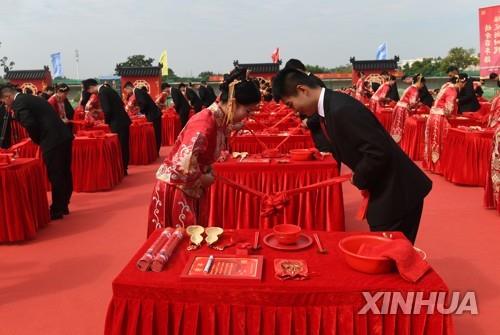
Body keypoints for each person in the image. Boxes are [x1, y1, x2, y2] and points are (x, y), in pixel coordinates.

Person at [272, 68, 432, 244]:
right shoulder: (329, 107)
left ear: (303, 90)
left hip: (398, 191)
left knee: (390, 254)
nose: (294, 111)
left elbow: (378, 151)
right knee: (384, 248)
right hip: (385, 188)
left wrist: (359, 177)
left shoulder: (341, 109)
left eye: (290, 104)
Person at [147, 67, 261, 236]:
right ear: (233, 103)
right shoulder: (204, 123)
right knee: (181, 244)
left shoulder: (218, 118)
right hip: (176, 189)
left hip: (190, 187)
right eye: (247, 111)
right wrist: (202, 178)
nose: (247, 117)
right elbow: (181, 167)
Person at [0, 85, 74, 220]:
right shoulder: (30, 98)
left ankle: (57, 210)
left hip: (52, 140)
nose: (5, 105)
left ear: (8, 97)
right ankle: (64, 205)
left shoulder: (19, 103)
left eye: (4, 102)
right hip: (63, 136)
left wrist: (37, 139)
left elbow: (30, 123)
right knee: (64, 172)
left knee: (56, 174)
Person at [82, 79, 131, 175]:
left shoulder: (102, 93)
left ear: (91, 87)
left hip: (118, 122)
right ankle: (123, 168)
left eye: (88, 91)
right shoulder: (107, 89)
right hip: (122, 120)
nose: (89, 93)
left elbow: (107, 110)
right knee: (123, 146)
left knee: (121, 147)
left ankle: (122, 169)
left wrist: (105, 120)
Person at [283, 58, 331, 152]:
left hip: (322, 129)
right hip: (317, 128)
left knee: (325, 152)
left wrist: (308, 121)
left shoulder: (313, 82)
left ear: (298, 71)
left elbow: (323, 107)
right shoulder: (308, 81)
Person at [423, 75, 465, 174]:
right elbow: (448, 109)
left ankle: (432, 165)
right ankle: (439, 167)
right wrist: (453, 116)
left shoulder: (445, 85)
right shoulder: (453, 90)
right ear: (459, 82)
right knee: (442, 141)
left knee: (433, 141)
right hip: (440, 118)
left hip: (432, 116)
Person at [123, 82, 162, 154]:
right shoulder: (138, 91)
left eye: (126, 91)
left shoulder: (137, 91)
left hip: (153, 114)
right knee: (156, 133)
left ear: (129, 88)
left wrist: (140, 110)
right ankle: (156, 151)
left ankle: (156, 152)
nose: (127, 93)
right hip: (153, 113)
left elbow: (143, 103)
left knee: (156, 133)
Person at [390, 74, 425, 143]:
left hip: (398, 107)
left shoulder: (410, 87)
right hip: (403, 109)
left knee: (397, 127)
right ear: (419, 82)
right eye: (423, 84)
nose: (423, 86)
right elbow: (412, 103)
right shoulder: (414, 90)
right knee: (403, 128)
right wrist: (418, 104)